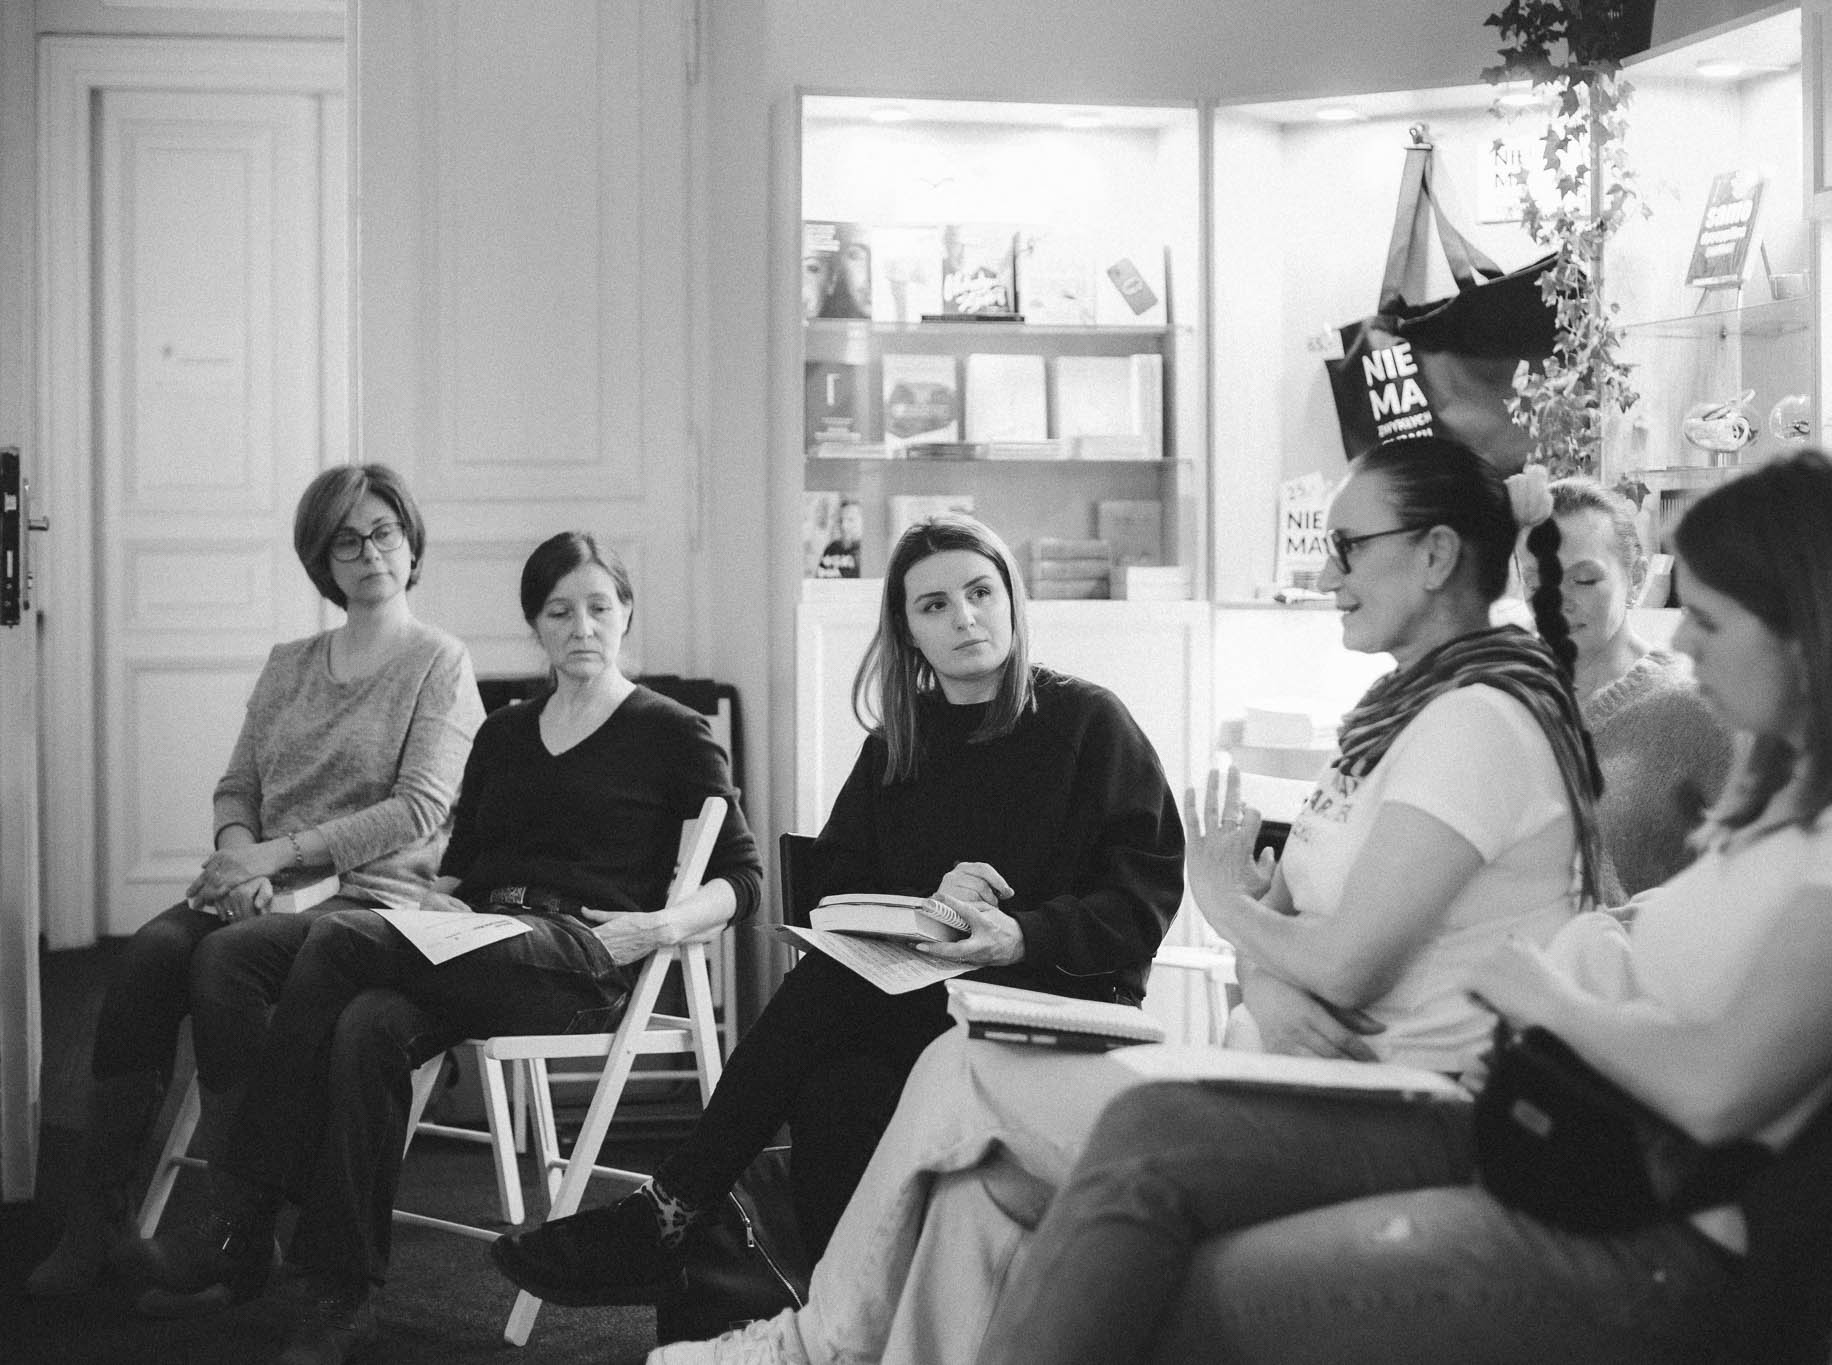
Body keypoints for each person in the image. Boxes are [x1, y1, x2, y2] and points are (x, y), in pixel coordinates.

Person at [964, 448, 1832, 1365]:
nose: (1686, 646)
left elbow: (1717, 1086)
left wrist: (1544, 992)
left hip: (1655, 1227)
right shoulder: (1789, 801)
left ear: (1810, 626)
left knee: (1183, 1272)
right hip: (1556, 1142)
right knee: (1120, 1142)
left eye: (1708, 619)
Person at [651, 432, 1609, 1364]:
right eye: (935, 605)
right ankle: (800, 1316)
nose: (1327, 574)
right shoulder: (1395, 721)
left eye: (1348, 546)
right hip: (1295, 1059)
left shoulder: (1473, 722)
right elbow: (1295, 940)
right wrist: (1267, 973)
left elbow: (1330, 955)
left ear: (1435, 555)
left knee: (954, 1069)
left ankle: (802, 1339)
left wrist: (1224, 905)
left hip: (1385, 1091)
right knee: (964, 1186)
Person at [491, 512, 1185, 1309]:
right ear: (908, 630)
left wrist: (1021, 933)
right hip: (926, 1001)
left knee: (825, 993)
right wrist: (931, 902)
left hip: (1058, 997)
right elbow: (837, 898)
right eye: (934, 605)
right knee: (833, 1087)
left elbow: (1142, 901)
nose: (964, 617)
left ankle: (672, 1208)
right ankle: (840, 1313)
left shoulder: (1089, 723)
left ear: (1011, 599)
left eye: (980, 592)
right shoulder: (897, 744)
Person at [116, 531, 762, 1365]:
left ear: (626, 613)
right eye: (559, 611)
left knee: (342, 938)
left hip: (581, 953)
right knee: (357, 1018)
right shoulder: (507, 732)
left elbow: (742, 876)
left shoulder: (672, 731)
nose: (582, 627)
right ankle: (341, 1296)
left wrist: (659, 926)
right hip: (478, 936)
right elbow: (462, 865)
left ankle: (240, 1215)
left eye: (599, 607)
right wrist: (434, 904)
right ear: (534, 623)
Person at [27, 464, 483, 1304]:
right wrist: (241, 856)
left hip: (370, 893)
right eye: (346, 540)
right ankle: (97, 1219)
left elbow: (418, 808)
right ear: (322, 559)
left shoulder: (440, 662)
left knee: (224, 962)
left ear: (411, 540)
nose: (370, 552)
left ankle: (240, 1227)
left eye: (384, 531)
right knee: (149, 955)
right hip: (264, 882)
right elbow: (238, 785)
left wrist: (276, 857)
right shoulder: (290, 663)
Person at [1525, 476, 1729, 899]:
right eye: (1536, 581)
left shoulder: (1694, 707)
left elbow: (1762, 875)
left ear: (1636, 577)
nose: (1555, 600)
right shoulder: (1507, 704)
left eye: (1583, 580)